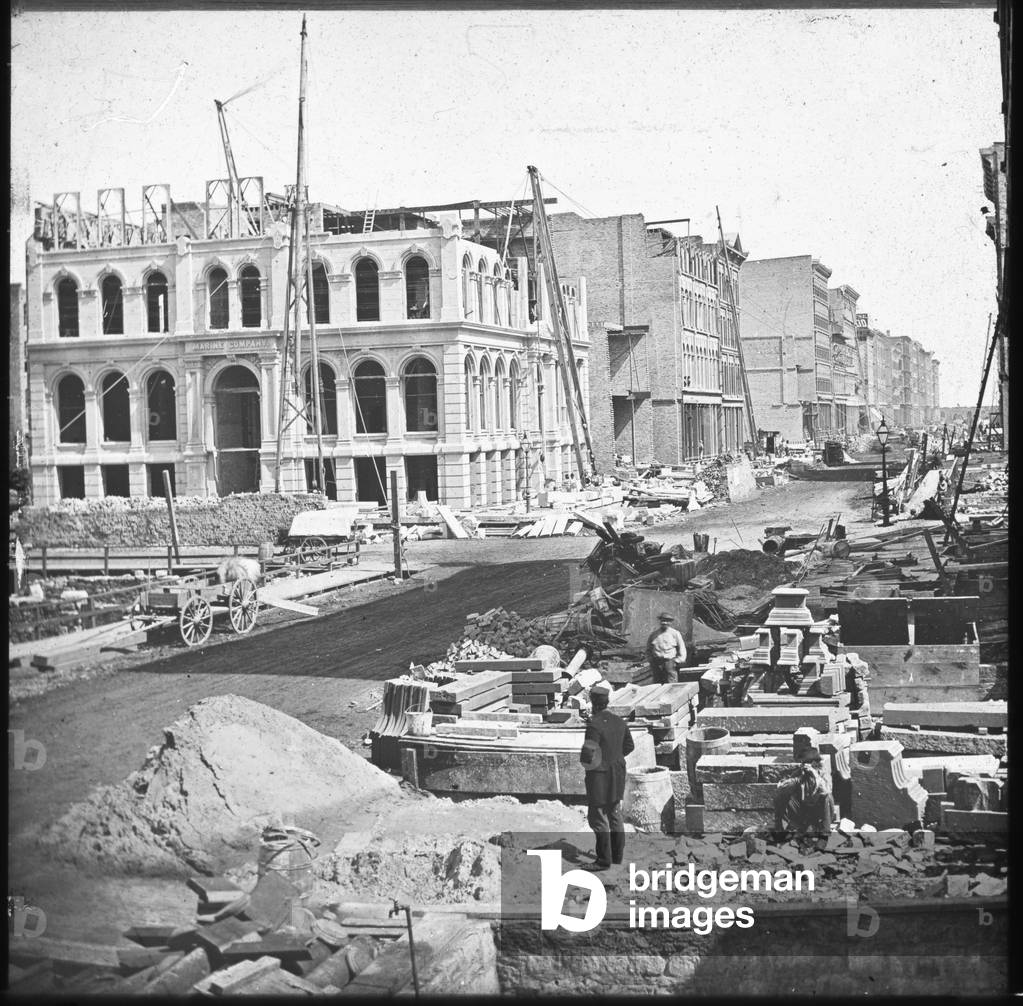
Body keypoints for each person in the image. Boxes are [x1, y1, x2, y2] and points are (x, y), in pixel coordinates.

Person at [579, 681, 634, 870]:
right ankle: (617, 856)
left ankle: (603, 860)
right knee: (615, 813)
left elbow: (588, 753)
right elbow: (629, 746)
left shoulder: (594, 725)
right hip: (617, 773)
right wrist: (614, 758)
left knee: (598, 817)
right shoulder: (619, 721)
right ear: (607, 701)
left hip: (599, 777)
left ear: (593, 703)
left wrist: (594, 764)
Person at [646, 612, 687, 684]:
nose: (664, 623)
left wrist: (678, 661)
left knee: (671, 683)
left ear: (670, 622)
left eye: (667, 621)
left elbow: (682, 648)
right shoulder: (654, 635)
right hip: (657, 663)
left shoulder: (675, 633)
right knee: (657, 684)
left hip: (670, 662)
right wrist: (651, 661)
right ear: (660, 621)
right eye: (662, 621)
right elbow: (648, 650)